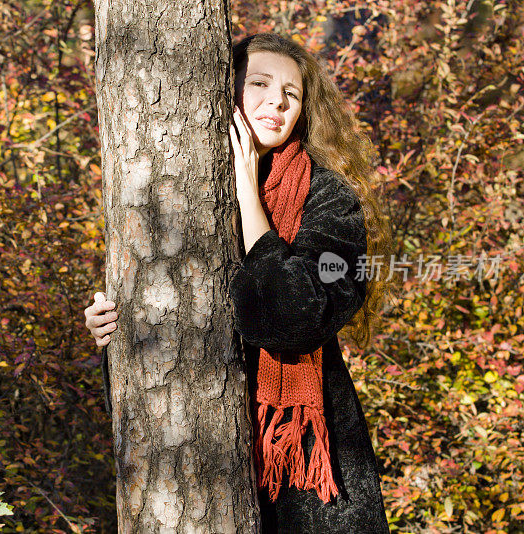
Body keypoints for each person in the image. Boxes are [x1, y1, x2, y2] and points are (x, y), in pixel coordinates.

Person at [84, 32, 393, 533]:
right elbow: (153, 365)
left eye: (291, 93)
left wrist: (250, 197)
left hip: (304, 475)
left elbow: (296, 318)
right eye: (259, 84)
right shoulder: (177, 182)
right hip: (198, 464)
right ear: (221, 90)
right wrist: (111, 334)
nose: (277, 100)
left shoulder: (329, 198)